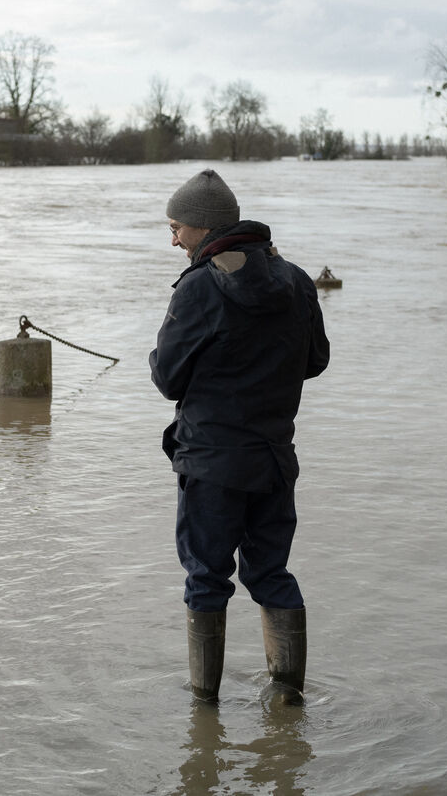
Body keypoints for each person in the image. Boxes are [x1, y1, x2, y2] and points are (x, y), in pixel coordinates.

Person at [149, 168, 329, 703]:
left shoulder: (199, 286)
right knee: (271, 572)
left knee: (206, 579)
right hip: (274, 459)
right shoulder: (296, 279)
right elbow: (316, 360)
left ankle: (203, 711)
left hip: (211, 464)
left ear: (203, 227)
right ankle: (287, 697)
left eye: (176, 227)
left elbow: (167, 377)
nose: (173, 239)